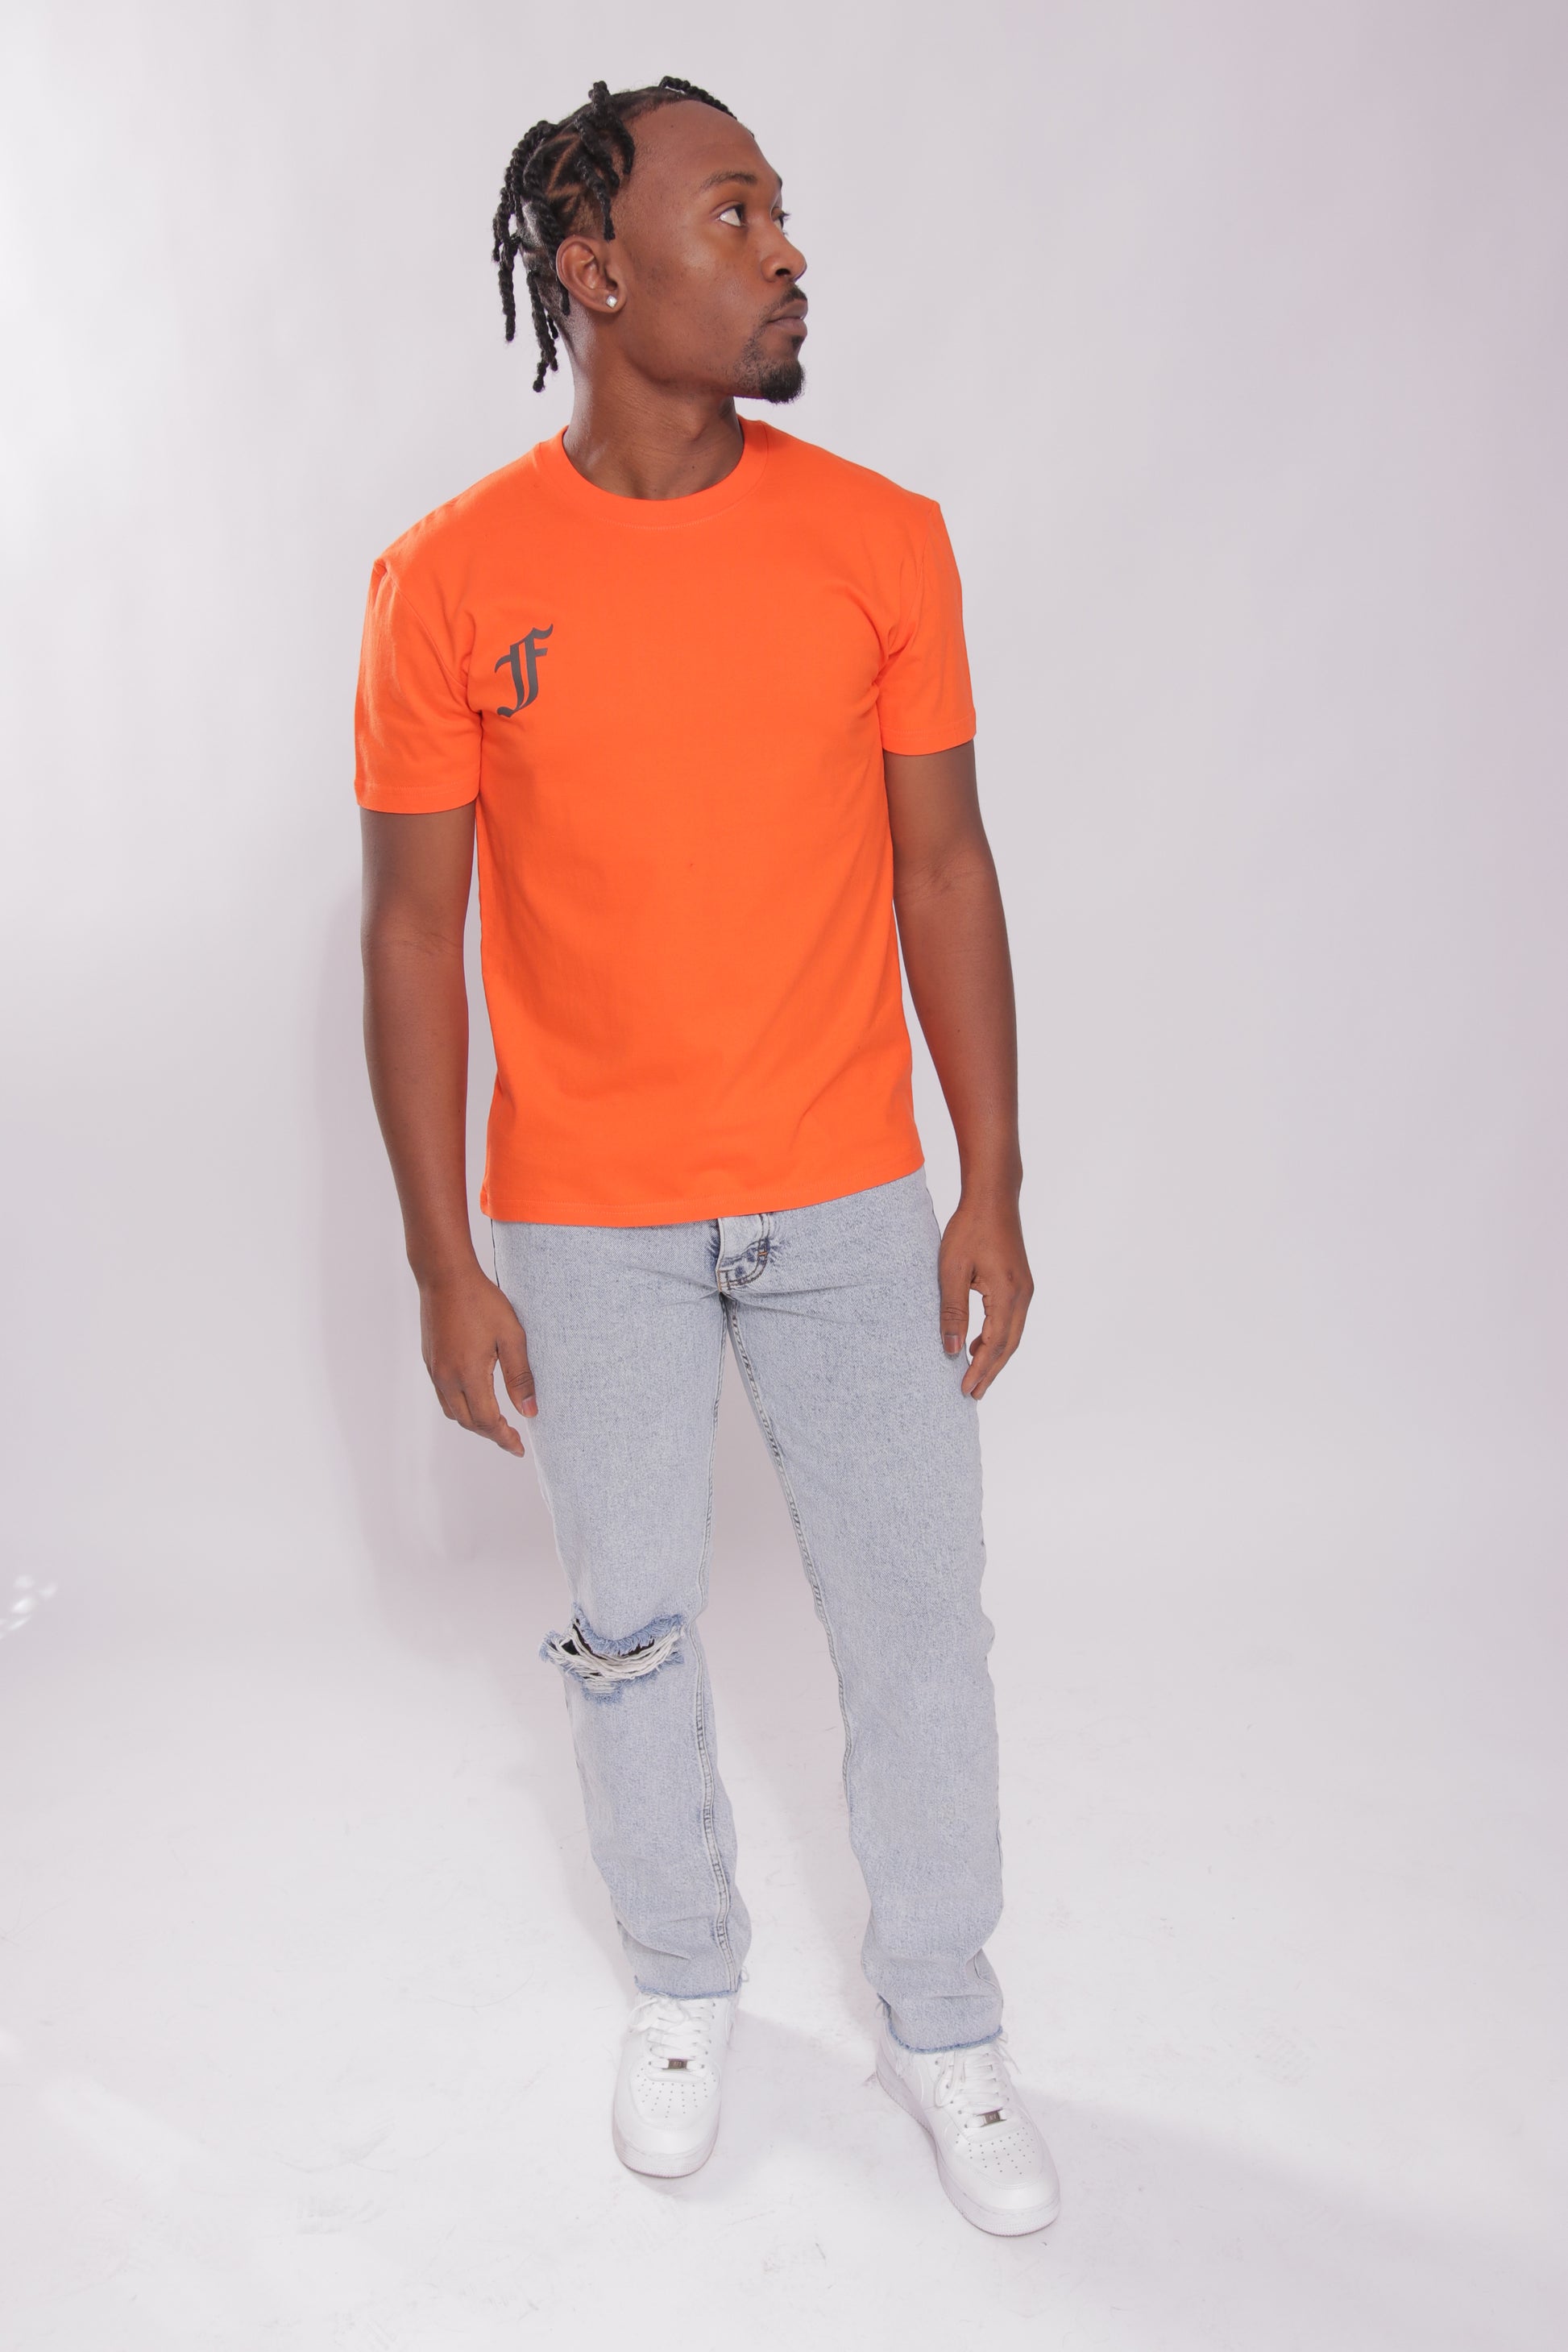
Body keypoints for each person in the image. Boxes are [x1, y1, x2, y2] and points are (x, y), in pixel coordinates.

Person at [355, 74, 1059, 2237]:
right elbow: (410, 930)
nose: (785, 253)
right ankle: (683, 1979)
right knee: (629, 1625)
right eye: (733, 214)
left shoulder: (883, 539)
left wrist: (989, 1176)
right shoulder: (446, 580)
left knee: (919, 1627)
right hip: (588, 1219)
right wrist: (442, 1259)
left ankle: (942, 2016)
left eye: (779, 211)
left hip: (846, 1193)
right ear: (595, 271)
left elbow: (942, 868)